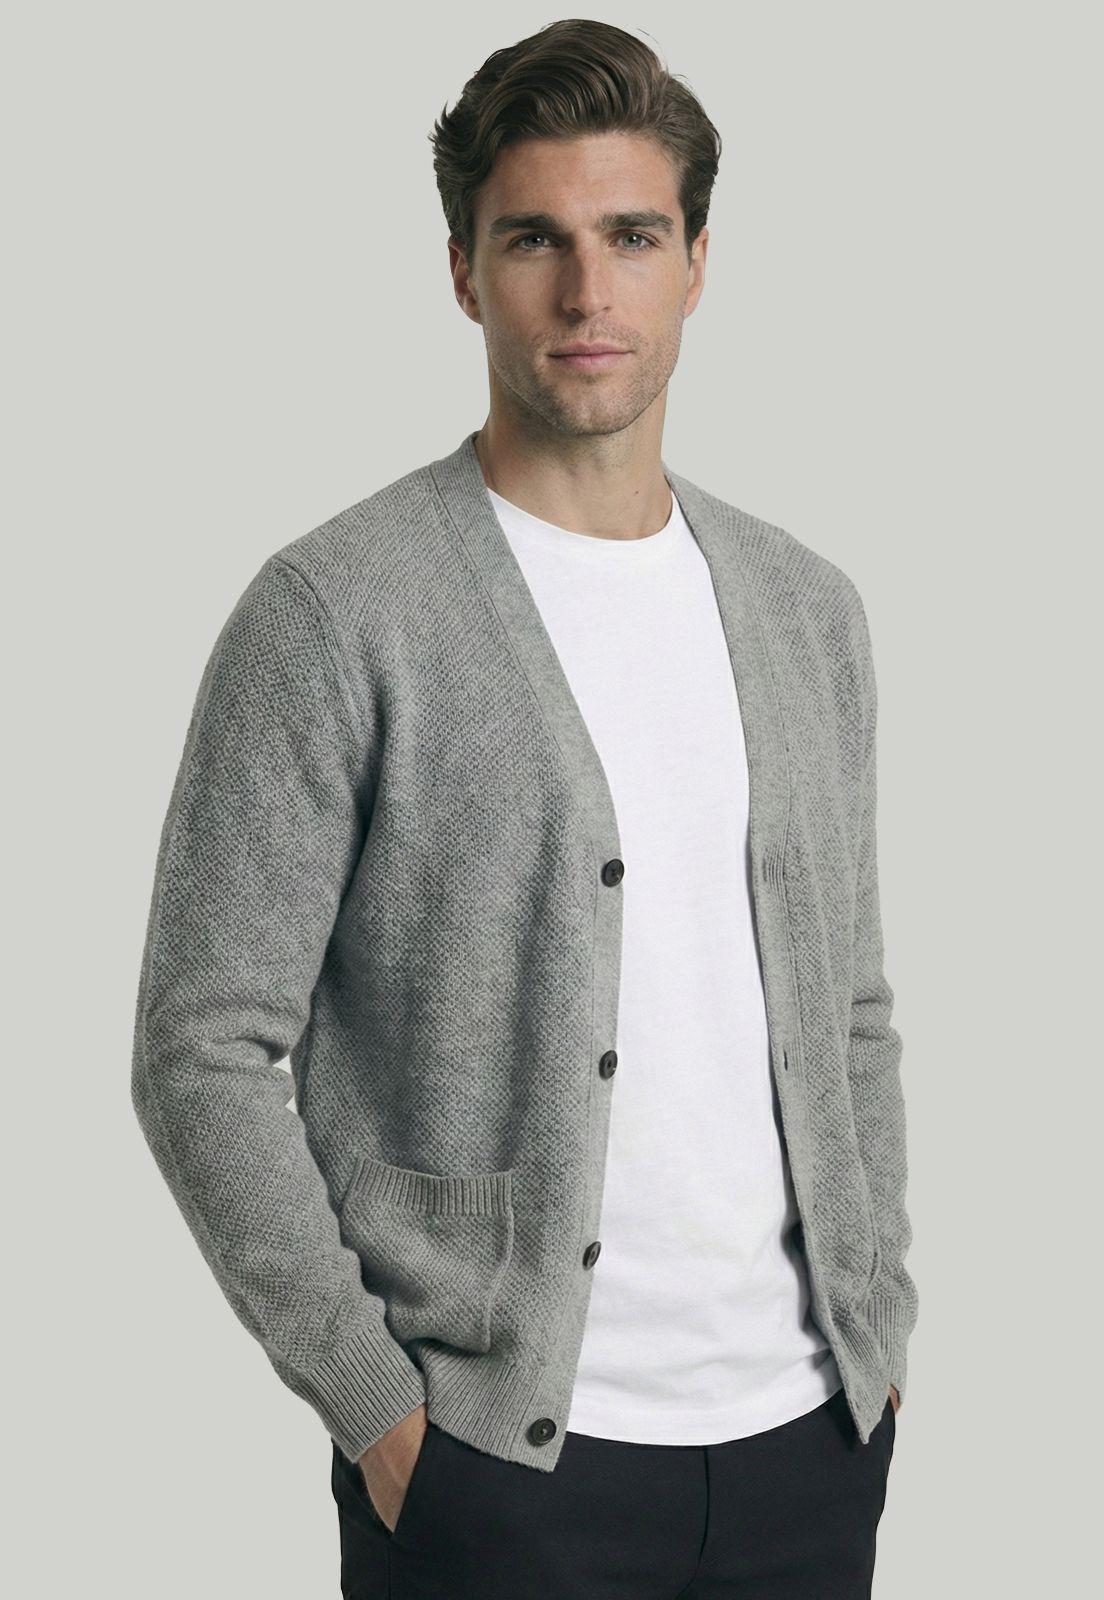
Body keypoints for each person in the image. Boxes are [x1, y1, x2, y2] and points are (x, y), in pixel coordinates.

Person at [132, 18, 917, 1599]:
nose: (586, 293)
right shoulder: (337, 613)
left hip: (807, 1441)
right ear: (463, 272)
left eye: (632, 236)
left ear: (697, 264)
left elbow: (850, 1009)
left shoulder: (806, 608)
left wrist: (877, 1327)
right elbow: (200, 1046)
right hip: (498, 1462)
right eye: (534, 240)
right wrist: (376, 1409)